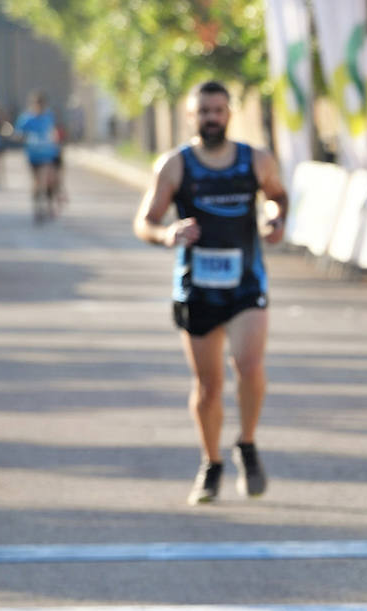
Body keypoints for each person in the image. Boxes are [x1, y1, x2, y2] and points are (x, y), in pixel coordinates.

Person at [133, 80, 288, 505]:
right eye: (203, 111)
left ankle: (248, 443)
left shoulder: (254, 160)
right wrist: (167, 234)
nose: (211, 118)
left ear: (229, 114)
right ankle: (211, 461)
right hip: (196, 289)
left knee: (250, 366)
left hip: (246, 284)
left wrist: (274, 220)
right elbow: (144, 221)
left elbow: (278, 197)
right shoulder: (175, 166)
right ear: (191, 116)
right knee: (208, 386)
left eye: (218, 110)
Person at [13, 91, 61, 221]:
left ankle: (48, 206)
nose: (39, 107)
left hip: (47, 153)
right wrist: (26, 137)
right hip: (33, 155)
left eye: (41, 104)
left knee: (46, 179)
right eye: (37, 104)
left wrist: (56, 145)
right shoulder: (26, 119)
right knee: (37, 182)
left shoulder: (49, 116)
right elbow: (18, 134)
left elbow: (54, 132)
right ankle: (37, 207)